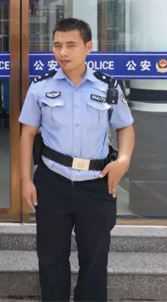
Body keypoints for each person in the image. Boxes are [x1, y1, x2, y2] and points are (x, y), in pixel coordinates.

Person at [19, 18, 135, 302]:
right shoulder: (40, 86)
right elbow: (27, 133)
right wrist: (25, 179)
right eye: (57, 45)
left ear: (88, 47)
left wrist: (122, 161)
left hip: (96, 184)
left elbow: (125, 127)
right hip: (52, 181)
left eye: (71, 45)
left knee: (95, 260)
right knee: (50, 258)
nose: (63, 52)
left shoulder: (108, 86)